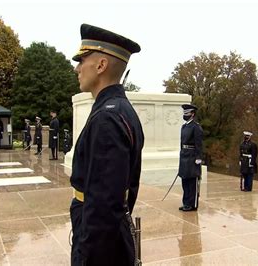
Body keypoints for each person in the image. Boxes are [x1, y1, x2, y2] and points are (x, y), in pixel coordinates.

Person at [69, 23, 144, 266]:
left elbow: (103, 207)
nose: (77, 68)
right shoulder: (119, 110)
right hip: (112, 238)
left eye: (82, 60)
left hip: (100, 248)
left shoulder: (106, 119)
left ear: (101, 65)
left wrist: (85, 257)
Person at [178, 104, 203, 211]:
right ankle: (186, 202)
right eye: (184, 113)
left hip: (192, 157)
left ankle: (192, 204)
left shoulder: (196, 127)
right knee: (185, 181)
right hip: (184, 156)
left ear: (192, 114)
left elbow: (199, 143)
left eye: (187, 113)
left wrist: (198, 157)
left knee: (192, 182)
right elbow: (182, 143)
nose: (185, 115)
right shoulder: (184, 126)